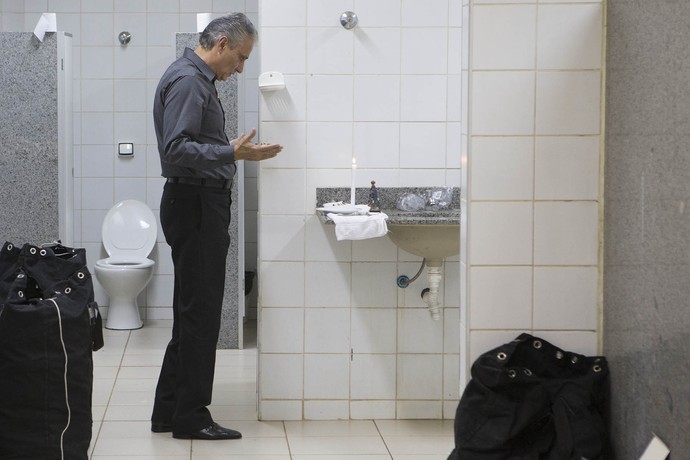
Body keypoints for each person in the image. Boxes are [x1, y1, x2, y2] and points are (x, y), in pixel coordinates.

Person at [151, 13, 282, 441]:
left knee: (191, 312)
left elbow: (192, 144)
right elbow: (176, 149)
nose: (241, 69)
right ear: (222, 44)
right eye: (241, 58)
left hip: (194, 203)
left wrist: (233, 153)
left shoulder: (192, 77)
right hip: (196, 205)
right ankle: (191, 417)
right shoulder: (190, 80)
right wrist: (232, 152)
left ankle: (169, 410)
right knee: (201, 315)